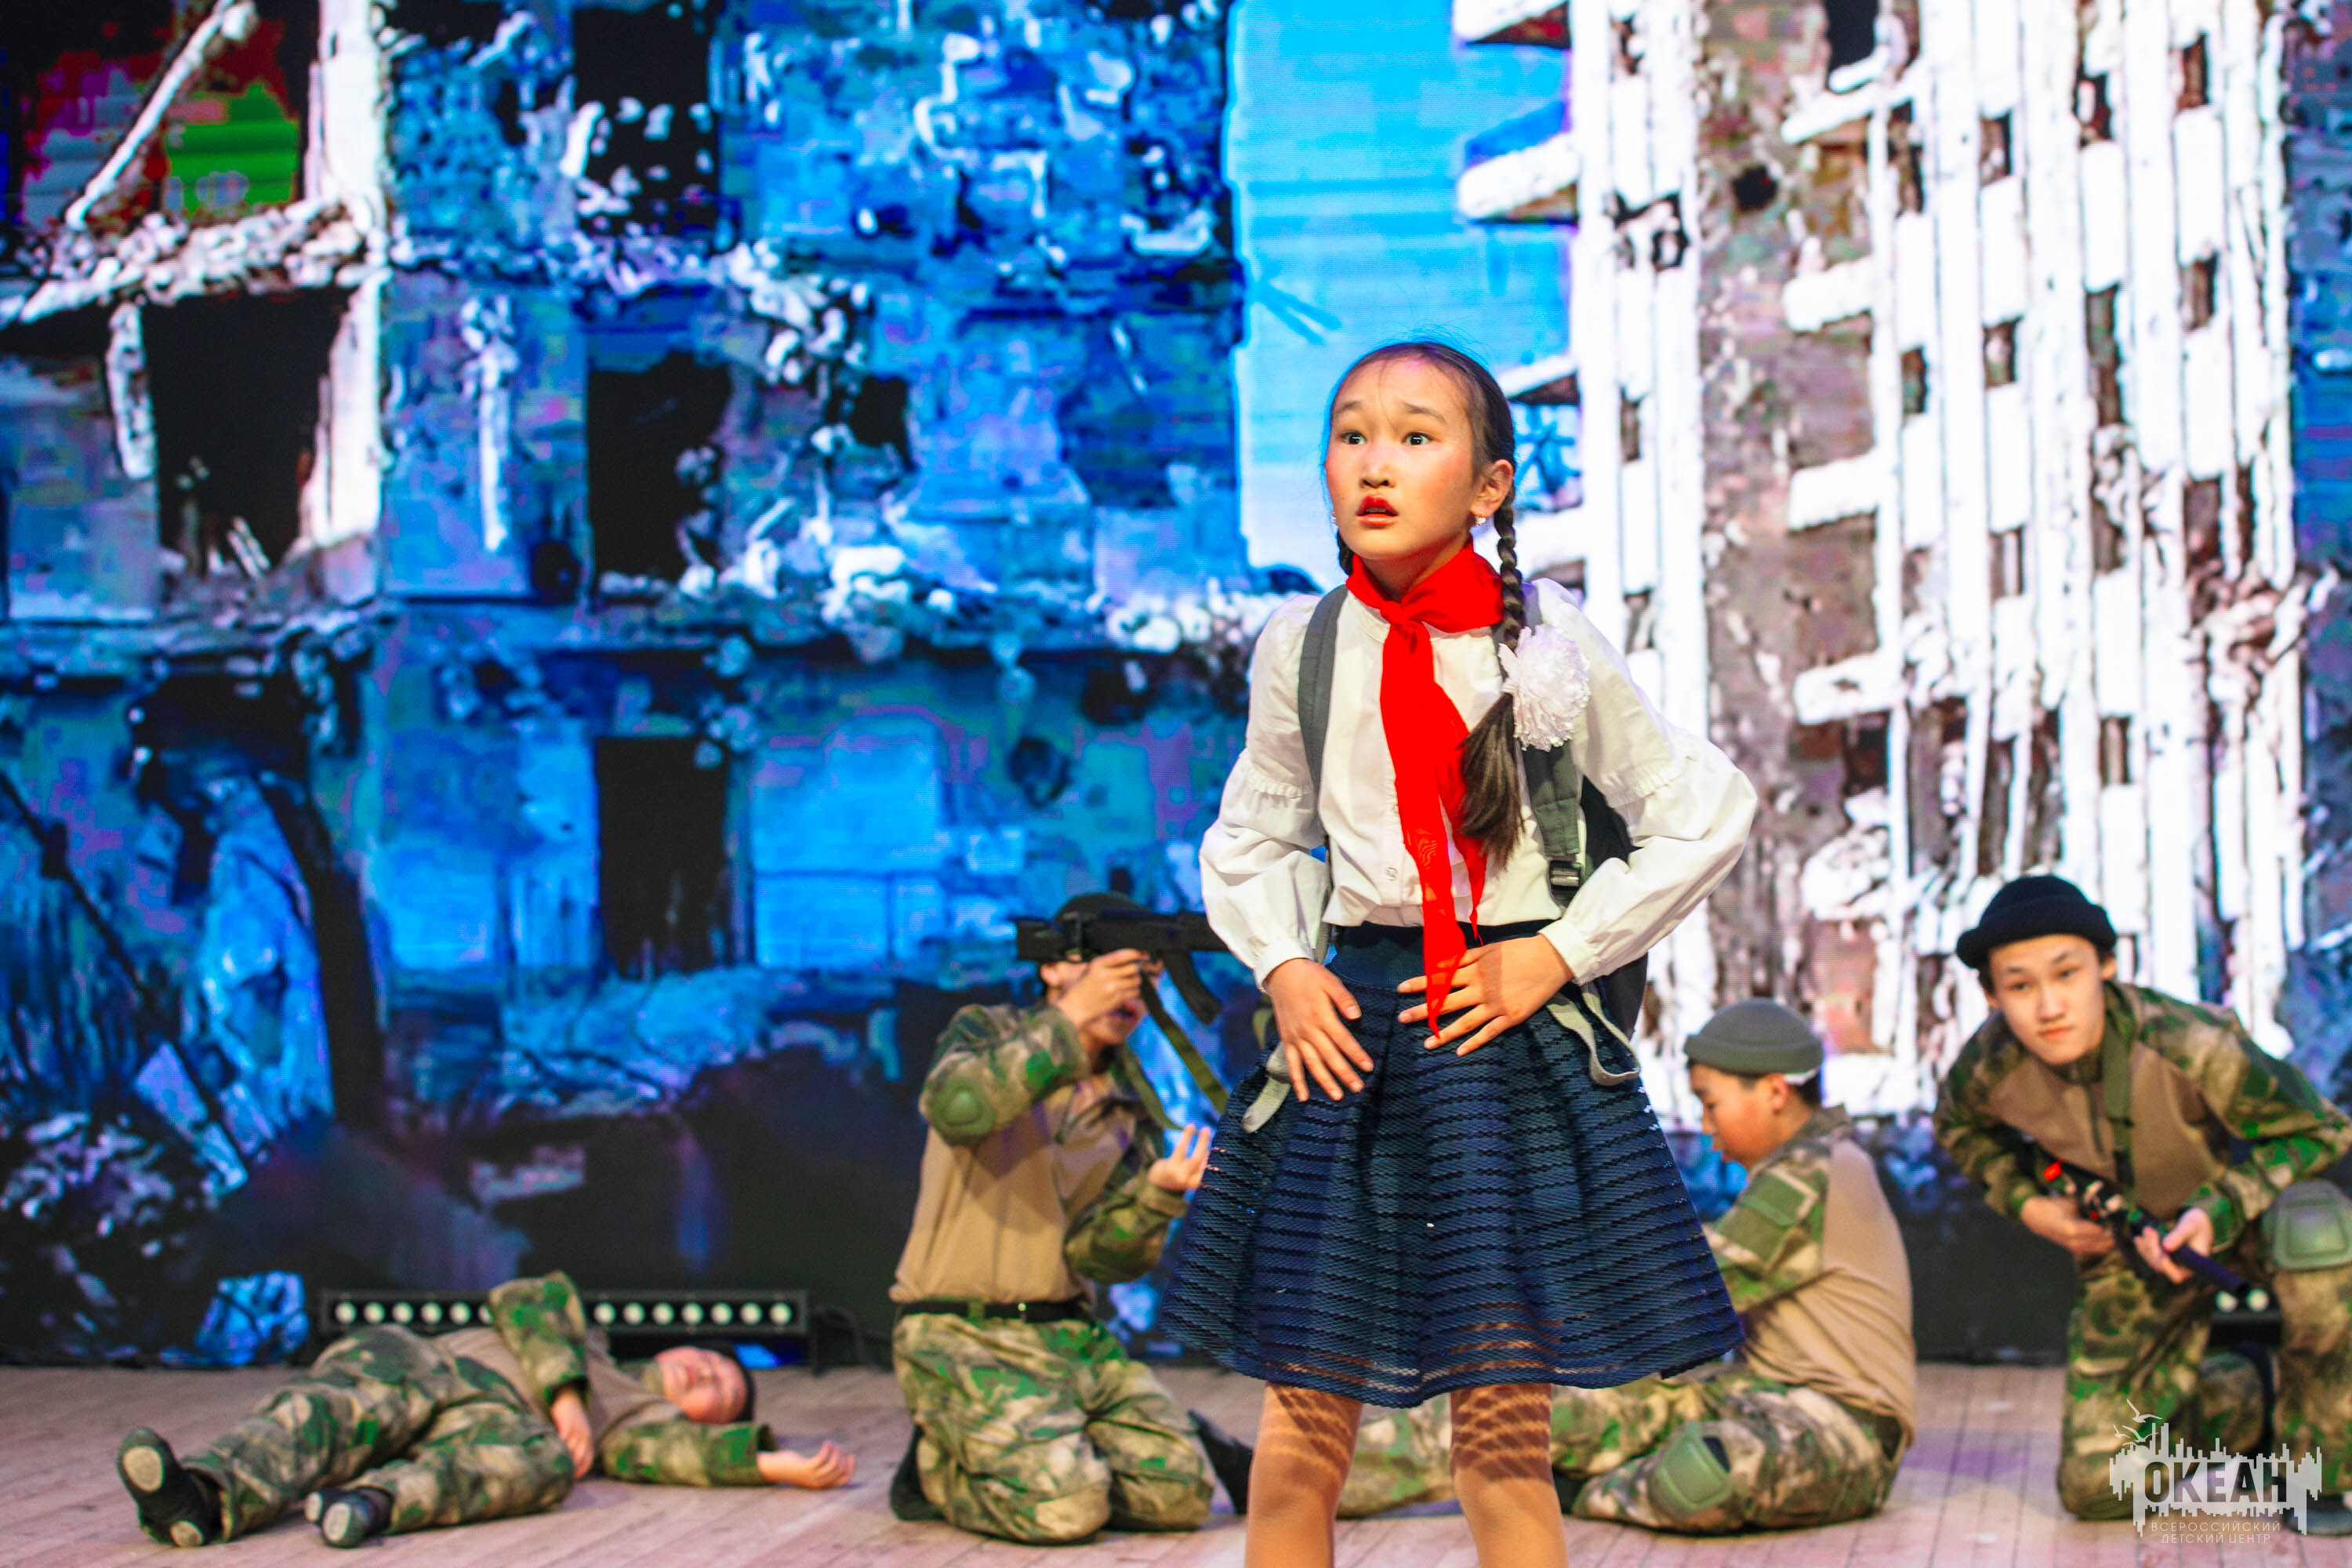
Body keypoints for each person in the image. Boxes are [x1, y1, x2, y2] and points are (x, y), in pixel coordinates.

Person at [1167, 339, 1759, 1568]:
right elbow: (1256, 830)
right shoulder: (1304, 642)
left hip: (1499, 1036)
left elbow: (1701, 810)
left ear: (1490, 485)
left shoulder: (1545, 636)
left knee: (1500, 1440)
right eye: (1351, 434)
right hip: (1353, 1031)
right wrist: (1285, 967)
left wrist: (1558, 954)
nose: (1374, 464)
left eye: (1414, 436)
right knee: (1300, 1428)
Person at [1200, 1000, 1916, 1535]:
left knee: (1702, 1480)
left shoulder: (1819, 1172)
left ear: (1775, 1092)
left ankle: (1578, 1490)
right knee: (1533, 1412)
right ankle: (1275, 1475)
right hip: (1743, 1396)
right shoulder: (1811, 1164)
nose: (1707, 1126)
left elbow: (1697, 1288)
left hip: (1842, 1425)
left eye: (1712, 1103)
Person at [1933, 874, 2352, 1531]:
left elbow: (2323, 1130)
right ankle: (2249, 1396)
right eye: (2020, 986)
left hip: (2243, 1220)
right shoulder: (1989, 1066)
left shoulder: (2189, 1043)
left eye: (2067, 974)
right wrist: (2028, 1204)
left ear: (2105, 965)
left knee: (2320, 1234)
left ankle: (2320, 1470)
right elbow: (1959, 1129)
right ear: (1992, 995)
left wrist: (2218, 1208)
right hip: (2134, 1246)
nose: (2049, 1006)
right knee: (2099, 1487)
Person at [887, 891, 1217, 1544]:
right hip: (961, 1331)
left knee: (1178, 1496)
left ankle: (1045, 1450)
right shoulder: (988, 1033)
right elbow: (957, 1108)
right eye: (1113, 969)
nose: (1127, 991)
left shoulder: (1131, 1106)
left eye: (1144, 976)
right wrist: (1072, 1015)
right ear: (1054, 967)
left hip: (1070, 1336)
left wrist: (1158, 1195)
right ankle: (938, 1469)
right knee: (1063, 1512)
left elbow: (1099, 1259)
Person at [114, 1270, 854, 1549]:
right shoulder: (588, 1338)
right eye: (710, 1359)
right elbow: (525, 1296)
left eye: (721, 1389)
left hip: (493, 1425)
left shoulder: (640, 1426)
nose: (706, 1372)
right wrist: (567, 1392)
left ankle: (372, 1504)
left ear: (709, 1417)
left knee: (545, 1464)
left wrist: (770, 1464)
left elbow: (685, 1457)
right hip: (433, 1367)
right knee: (333, 1411)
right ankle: (201, 1496)